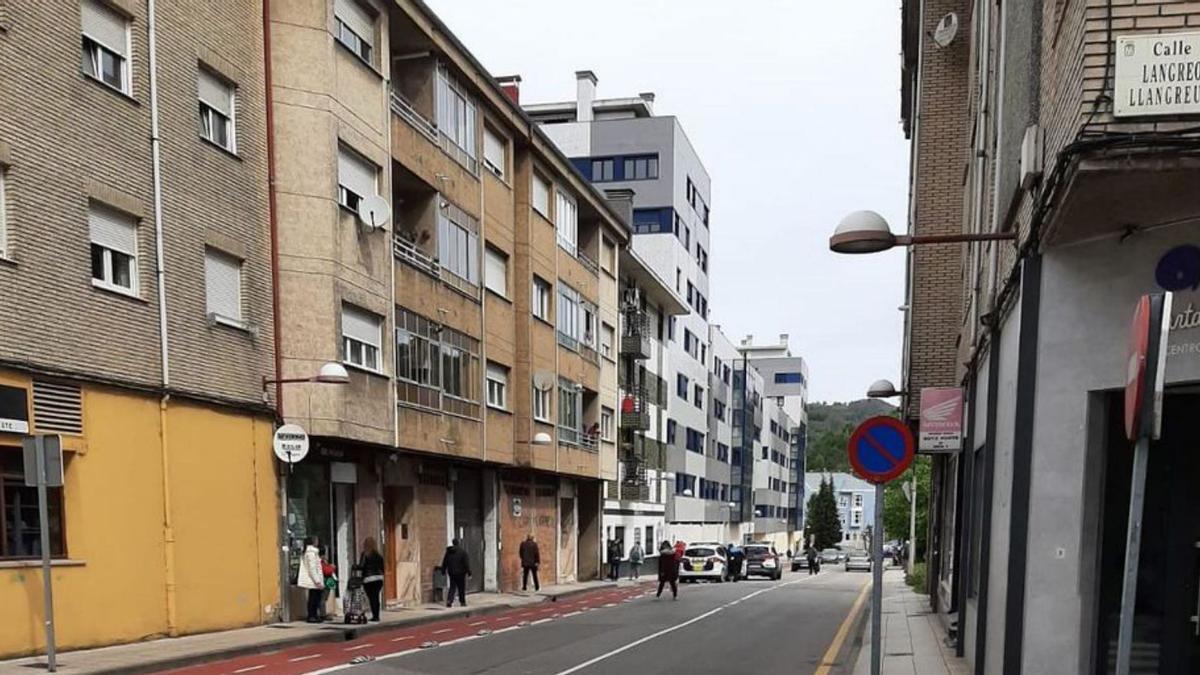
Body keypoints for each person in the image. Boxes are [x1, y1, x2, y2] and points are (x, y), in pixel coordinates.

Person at [297, 536, 324, 623]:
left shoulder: (312, 552)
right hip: (314, 580)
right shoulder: (311, 553)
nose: (318, 542)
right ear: (313, 542)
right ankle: (312, 616)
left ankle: (314, 615)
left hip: (315, 580)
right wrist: (318, 581)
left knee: (314, 598)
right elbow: (312, 568)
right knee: (314, 599)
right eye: (316, 540)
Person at [359, 537, 385, 622]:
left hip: (368, 579)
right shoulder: (378, 555)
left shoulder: (365, 554)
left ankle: (374, 615)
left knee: (371, 598)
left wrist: (355, 567)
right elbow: (382, 567)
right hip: (379, 579)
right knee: (376, 597)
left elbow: (362, 566)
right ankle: (376, 615)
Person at [441, 538, 471, 607]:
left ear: (453, 543)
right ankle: (462, 602)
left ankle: (449, 601)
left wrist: (443, 570)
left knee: (452, 587)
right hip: (461, 573)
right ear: (458, 543)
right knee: (461, 588)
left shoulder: (448, 552)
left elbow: (445, 562)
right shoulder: (463, 552)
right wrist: (469, 573)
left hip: (451, 572)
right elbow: (466, 564)